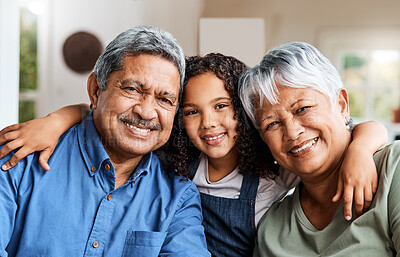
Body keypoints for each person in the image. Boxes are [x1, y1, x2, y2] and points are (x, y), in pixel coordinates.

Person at [0, 52, 388, 257]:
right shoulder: (174, 163)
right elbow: (118, 117)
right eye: (190, 111)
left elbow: (358, 128)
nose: (209, 124)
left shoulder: (277, 168)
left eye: (222, 106)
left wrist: (360, 148)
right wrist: (56, 119)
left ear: (244, 114)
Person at [0, 25, 210, 256]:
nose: (147, 112)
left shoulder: (178, 198)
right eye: (132, 89)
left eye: (164, 100)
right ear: (95, 90)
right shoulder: (20, 159)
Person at [239, 41, 400, 256]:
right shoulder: (270, 229)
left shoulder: (393, 169)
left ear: (342, 105)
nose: (292, 132)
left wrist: (359, 148)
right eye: (272, 124)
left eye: (303, 109)